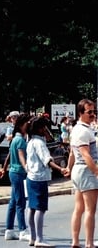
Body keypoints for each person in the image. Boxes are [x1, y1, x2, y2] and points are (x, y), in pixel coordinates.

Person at [26, 116, 68, 246]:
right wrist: (60, 169)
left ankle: (32, 236)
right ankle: (39, 238)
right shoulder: (39, 143)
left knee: (32, 207)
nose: (46, 129)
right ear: (39, 128)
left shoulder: (31, 141)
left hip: (31, 177)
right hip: (40, 178)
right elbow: (47, 160)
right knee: (40, 208)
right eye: (44, 127)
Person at [68, 99, 98, 248]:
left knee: (79, 208)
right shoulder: (84, 131)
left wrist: (68, 167)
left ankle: (75, 241)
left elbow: (72, 153)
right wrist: (97, 171)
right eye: (89, 112)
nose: (93, 114)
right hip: (86, 170)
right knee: (90, 210)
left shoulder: (77, 129)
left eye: (94, 111)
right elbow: (86, 154)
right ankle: (89, 243)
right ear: (81, 113)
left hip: (77, 171)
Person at [4, 113, 32, 241]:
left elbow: (9, 156)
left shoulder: (15, 139)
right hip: (18, 173)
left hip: (13, 172)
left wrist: (4, 168)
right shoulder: (20, 140)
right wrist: (26, 167)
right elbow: (21, 156)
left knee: (13, 201)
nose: (29, 125)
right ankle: (23, 230)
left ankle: (9, 229)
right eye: (28, 123)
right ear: (22, 125)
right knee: (20, 201)